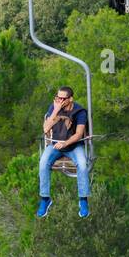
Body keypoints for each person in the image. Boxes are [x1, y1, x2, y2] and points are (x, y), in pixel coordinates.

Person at [37, 86, 90, 218]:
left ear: (70, 99)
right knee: (43, 163)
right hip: (55, 144)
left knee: (82, 165)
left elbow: (78, 134)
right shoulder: (54, 108)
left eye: (63, 99)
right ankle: (45, 199)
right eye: (57, 98)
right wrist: (55, 111)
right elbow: (45, 129)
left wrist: (65, 143)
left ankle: (83, 199)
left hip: (73, 145)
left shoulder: (80, 111)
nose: (59, 101)